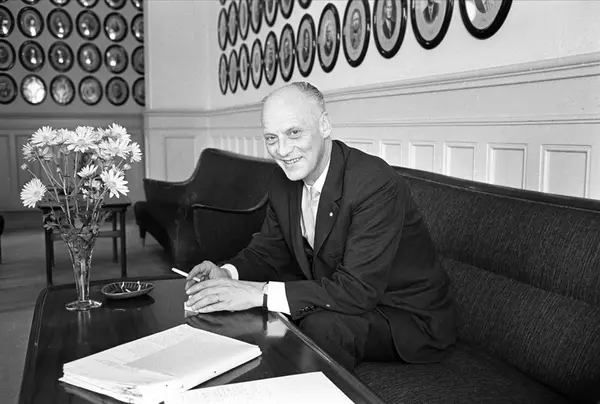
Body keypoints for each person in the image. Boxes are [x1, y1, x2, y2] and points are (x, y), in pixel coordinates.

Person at [184, 82, 457, 371]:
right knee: (268, 308)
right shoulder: (282, 180)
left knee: (316, 322)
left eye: (294, 133)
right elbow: (268, 250)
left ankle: (299, 387)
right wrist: (228, 274)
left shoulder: (374, 183)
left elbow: (358, 290)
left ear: (324, 125)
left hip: (404, 315)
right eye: (271, 138)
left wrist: (256, 293)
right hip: (342, 293)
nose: (282, 150)